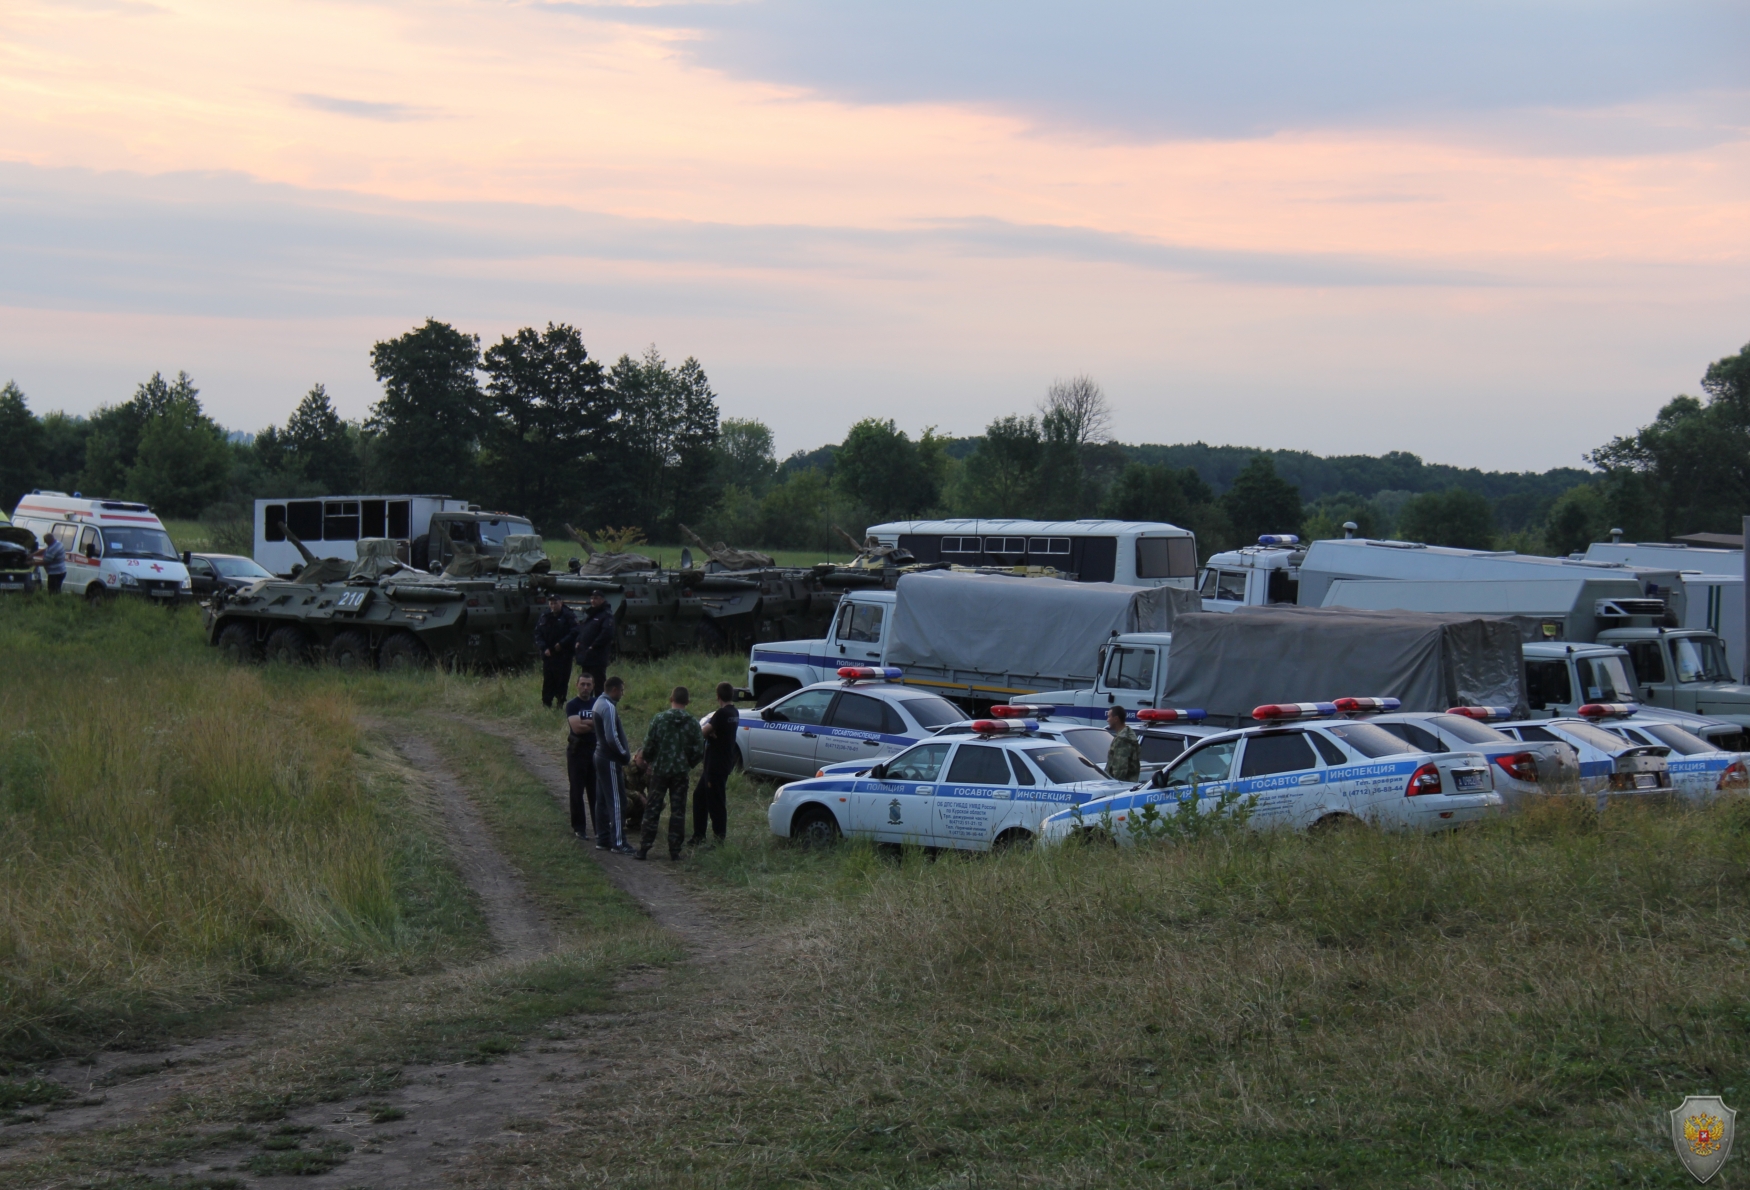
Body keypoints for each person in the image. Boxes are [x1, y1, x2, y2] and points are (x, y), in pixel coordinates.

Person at [635, 686, 706, 861]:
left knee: (652, 808)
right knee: (678, 811)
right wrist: (687, 763)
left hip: (659, 771)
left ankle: (644, 848)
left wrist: (651, 761)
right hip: (680, 773)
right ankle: (674, 851)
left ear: (671, 699)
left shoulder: (659, 719)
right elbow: (699, 750)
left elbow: (649, 746)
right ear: (687, 702)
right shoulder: (692, 722)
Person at [692, 681, 740, 846]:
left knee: (716, 802)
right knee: (699, 797)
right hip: (722, 763)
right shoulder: (734, 712)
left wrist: (708, 732)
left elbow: (703, 732)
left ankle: (719, 839)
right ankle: (699, 835)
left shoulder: (721, 714)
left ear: (718, 696)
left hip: (715, 766)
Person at [593, 675, 636, 854]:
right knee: (618, 801)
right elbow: (611, 737)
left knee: (602, 799)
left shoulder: (598, 703)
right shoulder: (608, 707)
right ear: (615, 690)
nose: (622, 694)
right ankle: (619, 842)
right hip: (609, 758)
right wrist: (624, 754)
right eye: (622, 690)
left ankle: (603, 838)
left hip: (600, 757)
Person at [563, 671, 597, 839]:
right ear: (577, 685)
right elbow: (576, 728)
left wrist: (587, 724)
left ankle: (600, 828)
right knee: (577, 790)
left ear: (593, 686)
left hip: (595, 751)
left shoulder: (597, 703)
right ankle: (579, 828)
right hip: (577, 751)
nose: (585, 688)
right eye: (582, 684)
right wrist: (594, 724)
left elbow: (605, 723)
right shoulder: (572, 705)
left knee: (595, 791)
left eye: (588, 685)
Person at [534, 593, 580, 709]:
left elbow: (574, 632)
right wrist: (544, 648)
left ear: (561, 603)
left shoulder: (568, 615)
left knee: (562, 680)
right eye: (551, 603)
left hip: (563, 654)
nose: (553, 606)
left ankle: (560, 703)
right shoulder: (545, 615)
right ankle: (546, 703)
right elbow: (538, 633)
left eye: (555, 603)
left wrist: (561, 644)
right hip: (548, 654)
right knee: (548, 681)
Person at [574, 591, 615, 697]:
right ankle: (587, 704)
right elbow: (583, 629)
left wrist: (594, 645)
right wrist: (579, 640)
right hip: (586, 655)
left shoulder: (606, 614)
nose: (593, 600)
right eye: (591, 598)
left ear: (602, 600)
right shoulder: (591, 613)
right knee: (586, 682)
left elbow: (607, 633)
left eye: (596, 598)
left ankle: (600, 706)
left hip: (598, 655)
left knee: (598, 683)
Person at [1105, 706, 1141, 782]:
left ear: (1116, 719)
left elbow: (1119, 769)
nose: (1107, 720)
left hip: (1120, 785)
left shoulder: (1122, 740)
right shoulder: (1127, 734)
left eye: (1109, 717)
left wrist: (1113, 784)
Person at [33, 531, 66, 595]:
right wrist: (32, 555)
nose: (45, 543)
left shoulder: (52, 549)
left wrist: (32, 563)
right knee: (57, 590)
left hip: (55, 573)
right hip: (61, 571)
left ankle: (54, 602)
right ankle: (56, 602)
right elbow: (45, 550)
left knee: (52, 592)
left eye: (45, 541)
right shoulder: (58, 543)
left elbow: (46, 562)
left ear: (48, 541)